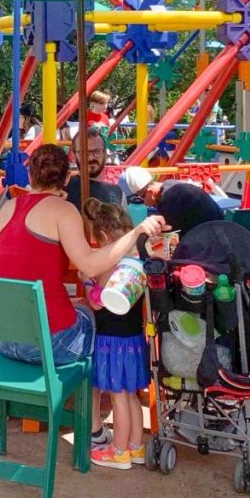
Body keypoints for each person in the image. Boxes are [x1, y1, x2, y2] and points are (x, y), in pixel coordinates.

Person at [0, 146, 166, 372]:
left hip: (5, 338)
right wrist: (135, 234)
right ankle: (107, 386)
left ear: (30, 175)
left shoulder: (7, 207)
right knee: (91, 309)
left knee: (76, 304)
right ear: (66, 178)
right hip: (50, 343)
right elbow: (89, 266)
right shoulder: (64, 211)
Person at [83, 200, 149, 469]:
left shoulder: (110, 265)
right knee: (130, 395)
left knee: (118, 396)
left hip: (112, 342)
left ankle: (118, 451)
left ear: (104, 237)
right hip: (133, 339)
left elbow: (97, 303)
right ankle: (136, 446)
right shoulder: (135, 261)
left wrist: (88, 281)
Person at [65, 125, 125, 211]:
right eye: (84, 152)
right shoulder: (63, 190)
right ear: (73, 156)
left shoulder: (117, 192)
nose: (91, 158)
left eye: (97, 151)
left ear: (105, 155)